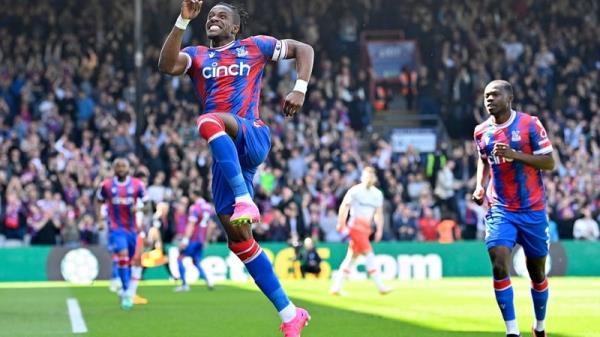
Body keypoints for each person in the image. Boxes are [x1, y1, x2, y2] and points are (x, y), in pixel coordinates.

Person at [158, 1, 314, 336]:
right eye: (210, 15)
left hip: (251, 133)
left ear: (235, 28)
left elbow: (304, 48)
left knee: (208, 120)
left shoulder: (255, 46)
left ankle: (246, 198)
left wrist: (299, 88)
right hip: (224, 151)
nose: (213, 18)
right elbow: (167, 64)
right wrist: (183, 20)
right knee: (238, 238)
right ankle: (290, 314)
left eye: (222, 16)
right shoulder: (199, 55)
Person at [472, 80, 555, 337]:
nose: (489, 99)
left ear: (509, 98)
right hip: (501, 209)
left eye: (495, 94)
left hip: (532, 209)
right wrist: (479, 186)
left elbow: (549, 162)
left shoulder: (530, 124)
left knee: (537, 273)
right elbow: (483, 159)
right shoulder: (481, 131)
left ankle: (539, 325)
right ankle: (512, 331)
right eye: (486, 95)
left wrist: (515, 154)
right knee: (498, 261)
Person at [96, 158, 148, 310]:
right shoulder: (106, 185)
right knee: (123, 255)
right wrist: (99, 219)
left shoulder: (138, 185)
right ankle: (126, 291)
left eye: (123, 166)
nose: (120, 168)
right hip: (115, 228)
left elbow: (148, 206)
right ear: (113, 168)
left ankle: (127, 288)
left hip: (132, 230)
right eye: (117, 166)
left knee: (132, 260)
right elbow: (98, 201)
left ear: (128, 168)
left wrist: (138, 210)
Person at [330, 167, 392, 295]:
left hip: (366, 229)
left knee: (351, 258)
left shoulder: (377, 194)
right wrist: (341, 223)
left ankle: (336, 287)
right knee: (369, 254)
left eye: (371, 176)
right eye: (366, 176)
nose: (369, 178)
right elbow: (344, 206)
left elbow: (378, 214)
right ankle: (381, 287)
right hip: (355, 228)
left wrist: (379, 229)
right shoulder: (355, 191)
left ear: (374, 179)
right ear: (362, 177)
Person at [175, 190, 215, 291]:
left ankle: (184, 285)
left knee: (179, 258)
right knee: (196, 261)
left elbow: (191, 225)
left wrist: (185, 240)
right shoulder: (208, 207)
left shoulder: (195, 207)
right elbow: (211, 225)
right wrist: (206, 240)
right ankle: (208, 280)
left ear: (194, 195)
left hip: (194, 238)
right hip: (201, 239)